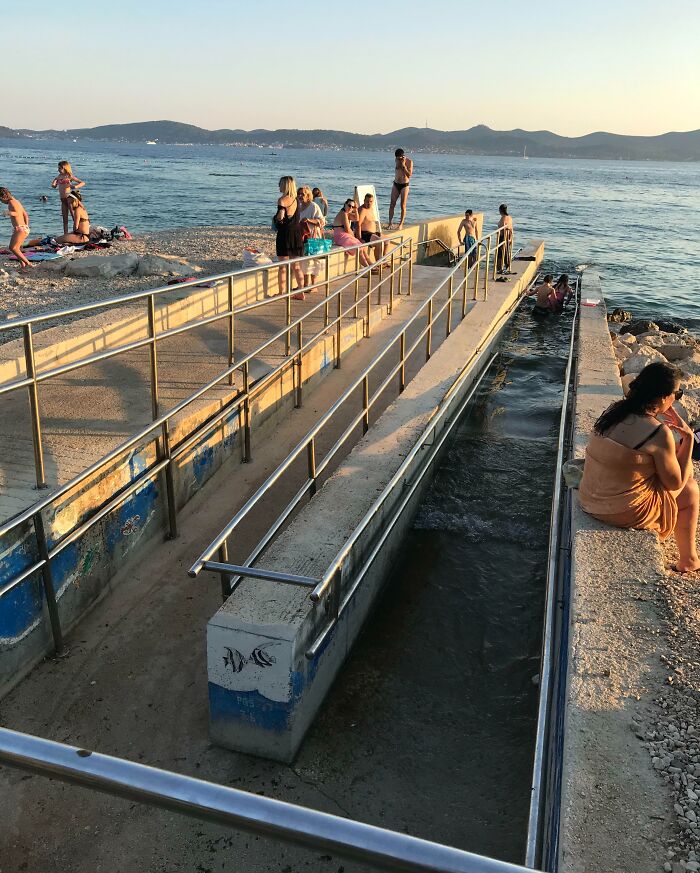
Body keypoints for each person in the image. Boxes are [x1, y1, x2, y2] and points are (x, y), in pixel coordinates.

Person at [579, 362, 700, 573]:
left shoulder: (614, 411)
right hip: (620, 511)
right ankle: (689, 561)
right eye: (677, 394)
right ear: (664, 397)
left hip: (590, 497)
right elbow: (675, 483)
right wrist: (688, 438)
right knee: (690, 489)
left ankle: (689, 560)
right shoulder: (656, 432)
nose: (676, 398)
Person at [274, 176, 305, 299]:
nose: (278, 186)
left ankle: (282, 293)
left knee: (282, 266)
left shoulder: (282, 200)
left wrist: (276, 218)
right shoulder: (296, 200)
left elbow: (281, 217)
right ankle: (301, 291)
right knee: (296, 266)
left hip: (285, 234)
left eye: (280, 183)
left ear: (285, 186)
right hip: (296, 234)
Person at [297, 186, 325, 291]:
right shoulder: (298, 207)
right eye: (298, 194)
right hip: (302, 236)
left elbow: (322, 221)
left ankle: (313, 285)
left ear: (308, 196)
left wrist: (308, 220)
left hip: (313, 236)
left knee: (314, 260)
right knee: (304, 260)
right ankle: (305, 285)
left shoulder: (313, 206)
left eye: (302, 194)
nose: (300, 196)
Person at [332, 198, 371, 268]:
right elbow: (347, 229)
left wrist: (356, 210)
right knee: (358, 248)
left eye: (352, 207)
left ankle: (371, 265)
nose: (350, 208)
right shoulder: (343, 213)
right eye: (349, 205)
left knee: (362, 247)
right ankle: (368, 268)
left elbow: (356, 219)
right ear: (345, 204)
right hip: (340, 236)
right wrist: (353, 235)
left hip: (345, 236)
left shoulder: (347, 213)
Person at [0, 187, 32, 268]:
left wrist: (7, 213)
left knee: (13, 248)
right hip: (23, 228)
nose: (1, 202)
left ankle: (28, 263)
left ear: (3, 197)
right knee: (17, 249)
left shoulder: (11, 203)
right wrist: (26, 226)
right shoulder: (17, 202)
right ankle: (23, 265)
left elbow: (16, 213)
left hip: (20, 229)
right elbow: (25, 214)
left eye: (0, 200)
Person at [51, 161, 85, 235]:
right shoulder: (59, 176)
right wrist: (54, 184)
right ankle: (65, 234)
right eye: (58, 168)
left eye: (60, 168)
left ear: (65, 168)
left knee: (74, 217)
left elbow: (82, 182)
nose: (58, 169)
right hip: (63, 200)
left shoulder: (69, 176)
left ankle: (78, 232)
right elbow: (54, 184)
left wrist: (75, 186)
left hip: (69, 199)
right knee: (65, 219)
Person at [387, 148, 413, 230]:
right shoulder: (396, 160)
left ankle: (401, 223)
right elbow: (397, 169)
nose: (398, 159)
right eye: (397, 158)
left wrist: (404, 166)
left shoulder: (409, 162)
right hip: (396, 184)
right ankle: (390, 223)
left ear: (403, 156)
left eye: (399, 158)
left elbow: (409, 175)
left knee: (403, 205)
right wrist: (399, 163)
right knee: (392, 204)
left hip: (404, 185)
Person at [358, 192, 386, 264]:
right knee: (379, 242)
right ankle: (379, 263)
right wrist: (359, 238)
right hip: (365, 234)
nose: (369, 203)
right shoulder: (363, 210)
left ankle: (383, 260)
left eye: (371, 201)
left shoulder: (371, 209)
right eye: (367, 201)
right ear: (364, 201)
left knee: (387, 241)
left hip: (373, 233)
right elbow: (358, 224)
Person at [496, 204, 513, 274]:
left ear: (500, 210)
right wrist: (510, 238)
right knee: (505, 252)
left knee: (500, 253)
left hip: (503, 236)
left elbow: (504, 228)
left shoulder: (503, 218)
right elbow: (511, 228)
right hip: (507, 236)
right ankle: (506, 267)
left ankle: (499, 269)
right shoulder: (509, 217)